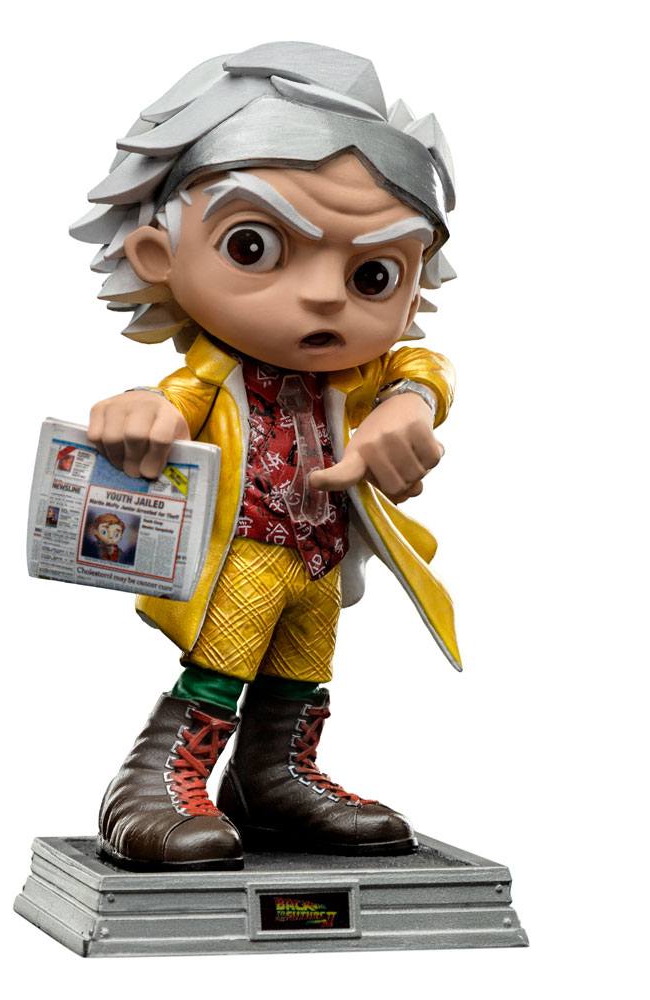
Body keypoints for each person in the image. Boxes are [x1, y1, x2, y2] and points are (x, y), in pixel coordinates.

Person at [72, 42, 460, 871]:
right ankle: (154, 782)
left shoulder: (363, 375)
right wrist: (138, 415)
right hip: (242, 551)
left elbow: (422, 371)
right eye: (254, 247)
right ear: (158, 257)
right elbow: (168, 406)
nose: (322, 295)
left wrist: (410, 405)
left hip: (319, 555)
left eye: (373, 274)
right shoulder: (214, 374)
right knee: (221, 665)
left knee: (300, 672)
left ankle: (275, 774)